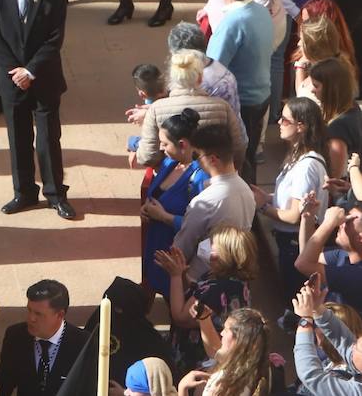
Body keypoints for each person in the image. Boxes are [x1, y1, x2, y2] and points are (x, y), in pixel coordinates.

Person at [0, 0, 75, 220]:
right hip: (11, 81)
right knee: (18, 138)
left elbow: (54, 40)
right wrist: (15, 71)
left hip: (44, 78)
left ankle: (55, 194)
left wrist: (31, 71)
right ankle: (23, 192)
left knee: (48, 139)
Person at [206, 0, 277, 184]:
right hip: (261, 96)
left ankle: (246, 212)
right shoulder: (260, 11)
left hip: (241, 103)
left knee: (237, 163)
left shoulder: (232, 23)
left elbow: (212, 69)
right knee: (249, 158)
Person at [253, 96, 327, 301]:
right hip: (291, 241)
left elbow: (295, 215)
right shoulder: (299, 157)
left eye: (285, 120)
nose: (278, 123)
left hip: (295, 243)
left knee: (294, 301)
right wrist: (269, 197)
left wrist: (262, 207)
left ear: (301, 126)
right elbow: (294, 197)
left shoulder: (306, 166)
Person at [170, 122, 256, 280]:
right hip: (235, 274)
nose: (195, 161)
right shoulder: (246, 190)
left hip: (200, 277)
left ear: (213, 159)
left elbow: (183, 246)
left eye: (197, 156)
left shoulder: (206, 200)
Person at [140, 108, 210, 297]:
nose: (161, 148)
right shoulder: (169, 162)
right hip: (156, 244)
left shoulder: (200, 178)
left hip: (177, 254)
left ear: (182, 144)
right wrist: (146, 209)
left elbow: (201, 226)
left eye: (164, 144)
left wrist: (164, 217)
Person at [0, 279, 89, 396]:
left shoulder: (83, 343)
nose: (31, 318)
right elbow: (4, 383)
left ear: (60, 315)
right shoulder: (16, 336)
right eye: (29, 310)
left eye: (38, 314)